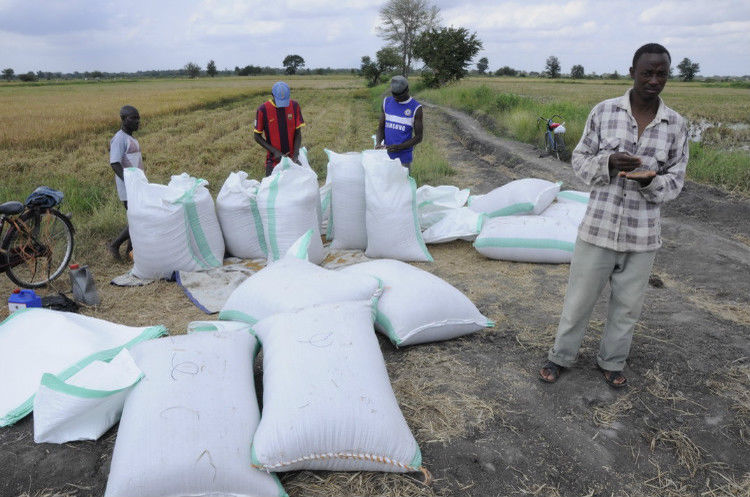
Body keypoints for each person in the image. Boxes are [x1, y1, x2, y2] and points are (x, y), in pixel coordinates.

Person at [539, 43, 689, 388]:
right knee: (578, 302)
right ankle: (560, 356)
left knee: (627, 307)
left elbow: (676, 179)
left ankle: (612, 361)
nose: (654, 80)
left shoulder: (676, 125)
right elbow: (579, 160)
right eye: (647, 72)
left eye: (661, 73)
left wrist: (651, 181)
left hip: (642, 235)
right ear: (632, 73)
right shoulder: (604, 112)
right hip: (598, 228)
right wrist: (607, 164)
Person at [107, 105, 144, 260]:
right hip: (129, 187)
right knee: (138, 219)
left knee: (135, 218)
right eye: (133, 118)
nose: (137, 121)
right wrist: (129, 181)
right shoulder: (119, 139)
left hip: (137, 185)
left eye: (138, 118)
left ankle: (131, 251)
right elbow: (115, 163)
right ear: (123, 119)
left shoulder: (130, 138)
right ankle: (115, 245)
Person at [253, 81, 304, 176]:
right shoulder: (263, 110)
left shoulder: (294, 106)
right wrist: (275, 152)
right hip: (273, 160)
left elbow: (298, 133)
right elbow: (257, 136)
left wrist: (296, 155)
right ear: (272, 95)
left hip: (293, 159)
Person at [375, 75, 423, 172]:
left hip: (403, 158)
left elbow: (419, 137)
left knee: (402, 185)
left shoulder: (416, 108)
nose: (397, 99)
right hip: (386, 156)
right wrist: (379, 143)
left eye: (399, 96)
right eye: (394, 95)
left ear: (407, 90)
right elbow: (381, 128)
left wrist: (399, 147)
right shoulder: (386, 102)